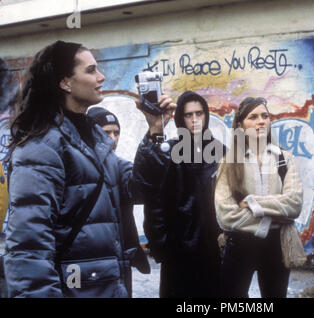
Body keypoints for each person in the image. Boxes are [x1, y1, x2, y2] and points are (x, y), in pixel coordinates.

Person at [4, 40, 172, 297]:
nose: (101, 77)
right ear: (65, 82)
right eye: (91, 70)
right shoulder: (42, 146)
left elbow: (137, 189)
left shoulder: (94, 138)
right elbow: (29, 245)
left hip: (104, 286)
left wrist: (155, 130)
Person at [133, 90, 225, 297]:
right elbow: (144, 190)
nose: (195, 120)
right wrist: (161, 244)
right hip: (179, 253)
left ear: (206, 116)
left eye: (199, 113)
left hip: (216, 249)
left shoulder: (221, 151)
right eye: (188, 114)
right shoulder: (168, 151)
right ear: (179, 118)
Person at [214, 97, 303, 297]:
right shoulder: (229, 162)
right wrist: (271, 218)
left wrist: (253, 203)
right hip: (239, 243)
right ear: (240, 125)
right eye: (253, 117)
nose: (261, 121)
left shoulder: (285, 158)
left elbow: (294, 203)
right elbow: (225, 214)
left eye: (265, 116)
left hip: (276, 245)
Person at [87, 106, 150, 295]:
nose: (113, 138)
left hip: (120, 257)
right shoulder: (76, 166)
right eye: (106, 132)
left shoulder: (120, 166)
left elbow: (140, 187)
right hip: (89, 259)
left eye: (116, 132)